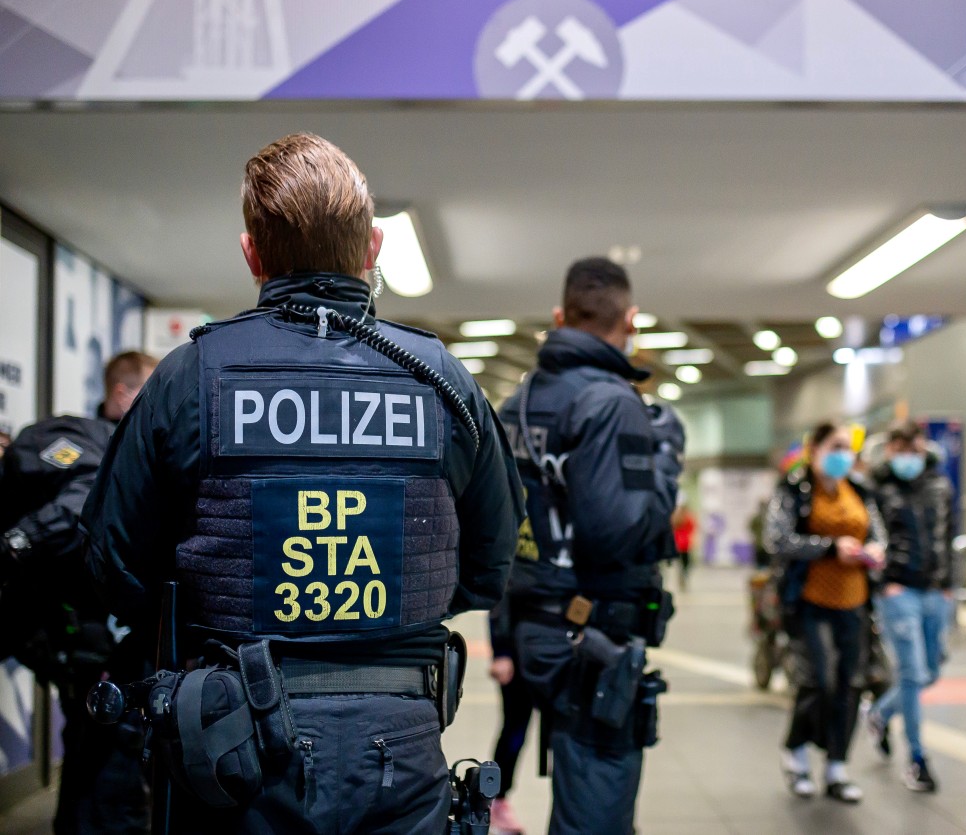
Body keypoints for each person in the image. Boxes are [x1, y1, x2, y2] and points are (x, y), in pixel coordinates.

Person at [80, 132, 522, 833]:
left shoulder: (191, 379)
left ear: (252, 253)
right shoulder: (443, 382)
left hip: (235, 749)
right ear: (372, 248)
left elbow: (113, 564)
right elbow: (491, 565)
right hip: (403, 742)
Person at [498, 256, 682, 835]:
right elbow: (618, 535)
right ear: (631, 320)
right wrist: (664, 465)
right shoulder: (612, 402)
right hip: (592, 639)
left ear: (560, 316)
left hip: (537, 627)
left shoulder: (518, 403)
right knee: (597, 816)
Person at [0, 350, 157, 835]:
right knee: (111, 776)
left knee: (99, 764)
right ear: (122, 394)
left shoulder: (129, 444)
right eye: (150, 393)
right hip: (91, 639)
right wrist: (16, 543)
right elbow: (83, 499)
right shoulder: (64, 439)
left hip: (107, 641)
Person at [765, 421, 885, 804]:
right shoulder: (795, 490)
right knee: (818, 680)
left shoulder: (861, 490)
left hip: (854, 601)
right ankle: (797, 751)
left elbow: (877, 533)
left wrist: (876, 550)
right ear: (814, 449)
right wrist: (830, 547)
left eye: (847, 448)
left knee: (850, 683)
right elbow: (777, 539)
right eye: (834, 446)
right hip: (809, 599)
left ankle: (836, 765)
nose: (842, 455)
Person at [864, 419, 957, 793]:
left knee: (930, 672)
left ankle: (879, 714)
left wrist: (949, 582)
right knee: (912, 673)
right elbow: (869, 537)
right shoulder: (876, 489)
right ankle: (917, 759)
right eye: (900, 450)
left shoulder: (939, 485)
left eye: (913, 450)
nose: (908, 458)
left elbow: (949, 535)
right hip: (898, 592)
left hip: (935, 591)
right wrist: (884, 583)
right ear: (890, 451)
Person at [487, 594, 535, 835]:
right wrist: (502, 651)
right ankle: (496, 798)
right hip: (517, 649)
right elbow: (501, 598)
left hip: (555, 643)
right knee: (515, 727)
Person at [670, 495, 696, 591]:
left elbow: (692, 528)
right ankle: (682, 577)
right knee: (683, 563)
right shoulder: (678, 516)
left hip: (683, 544)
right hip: (680, 544)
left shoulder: (685, 516)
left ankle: (683, 577)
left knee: (685, 563)